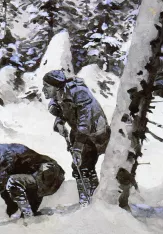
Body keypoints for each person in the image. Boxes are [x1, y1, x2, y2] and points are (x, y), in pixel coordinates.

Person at [0, 133, 65, 225]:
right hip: (35, 178)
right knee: (11, 184)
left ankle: (29, 217)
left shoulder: (6, 156)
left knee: (11, 182)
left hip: (49, 173)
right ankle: (29, 215)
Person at [42, 70, 111, 206]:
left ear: (56, 86)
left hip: (94, 134)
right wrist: (59, 122)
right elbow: (61, 110)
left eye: (47, 86)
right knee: (79, 166)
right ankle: (86, 199)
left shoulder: (80, 93)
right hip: (79, 131)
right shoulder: (60, 93)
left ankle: (92, 200)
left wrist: (78, 148)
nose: (43, 89)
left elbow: (85, 122)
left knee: (84, 166)